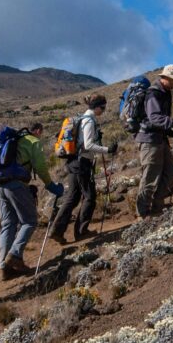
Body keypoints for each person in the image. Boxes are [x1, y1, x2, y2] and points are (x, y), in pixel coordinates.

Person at [0, 124, 64, 281]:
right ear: (38, 131)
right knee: (29, 221)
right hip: (16, 185)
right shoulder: (33, 141)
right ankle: (14, 256)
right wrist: (51, 186)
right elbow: (40, 167)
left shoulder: (13, 140)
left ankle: (4, 266)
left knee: (8, 224)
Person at [48, 94, 117, 243]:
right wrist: (107, 149)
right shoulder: (89, 121)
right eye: (103, 108)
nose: (104, 111)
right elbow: (88, 145)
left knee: (73, 197)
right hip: (81, 163)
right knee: (90, 196)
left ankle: (57, 230)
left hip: (73, 162)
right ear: (97, 107)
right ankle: (81, 231)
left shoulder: (82, 119)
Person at [135, 64, 173, 218]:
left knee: (170, 171)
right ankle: (142, 214)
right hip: (149, 140)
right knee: (150, 177)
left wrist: (170, 131)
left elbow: (157, 120)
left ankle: (158, 205)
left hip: (160, 138)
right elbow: (154, 117)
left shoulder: (165, 92)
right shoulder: (154, 93)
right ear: (165, 78)